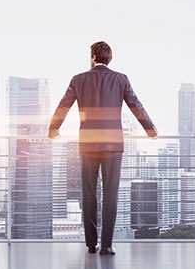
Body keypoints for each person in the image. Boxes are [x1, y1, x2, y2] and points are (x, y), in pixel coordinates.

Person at [48, 41, 157, 255]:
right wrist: (149, 128)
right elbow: (136, 104)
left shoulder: (78, 79)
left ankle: (90, 244)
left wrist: (53, 129)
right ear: (110, 58)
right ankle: (106, 245)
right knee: (110, 195)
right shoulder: (121, 79)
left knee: (88, 194)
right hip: (113, 145)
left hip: (88, 144)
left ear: (92, 57)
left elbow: (63, 105)